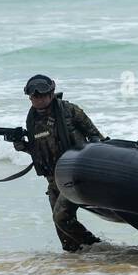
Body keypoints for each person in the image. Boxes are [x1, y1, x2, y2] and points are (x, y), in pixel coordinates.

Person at [11, 74, 104, 252]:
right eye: (34, 96)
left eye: (42, 95)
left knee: (60, 217)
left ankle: (99, 248)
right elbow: (38, 150)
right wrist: (23, 146)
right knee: (66, 240)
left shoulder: (70, 111)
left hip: (75, 174)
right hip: (53, 179)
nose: (38, 99)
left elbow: (96, 137)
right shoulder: (32, 121)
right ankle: (80, 267)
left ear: (51, 93)